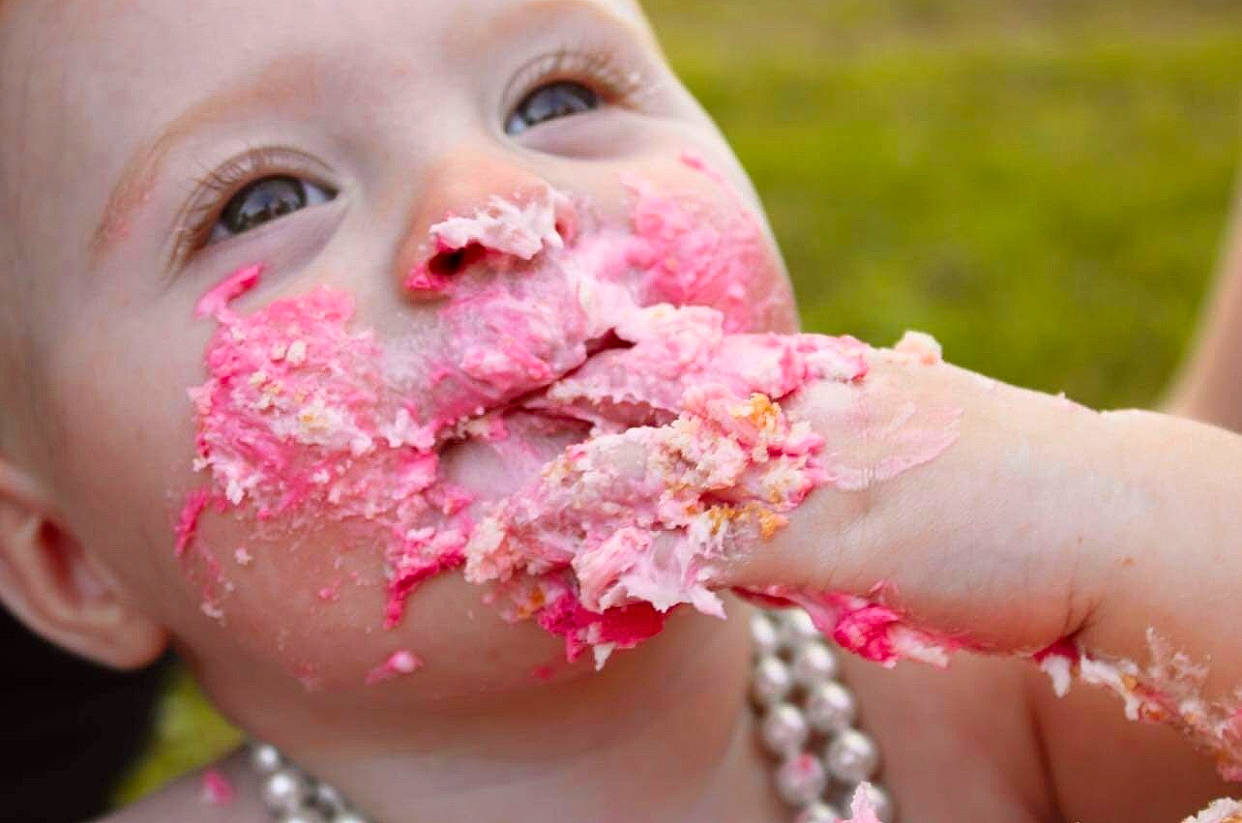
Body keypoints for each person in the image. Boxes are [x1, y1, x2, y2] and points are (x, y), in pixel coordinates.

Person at [0, 2, 1238, 821]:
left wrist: (1113, 507)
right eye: (265, 202)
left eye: (554, 99)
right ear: (74, 564)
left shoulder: (1026, 712)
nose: (490, 201)